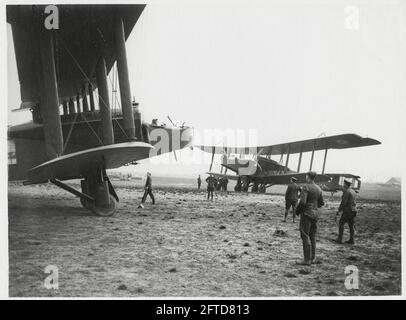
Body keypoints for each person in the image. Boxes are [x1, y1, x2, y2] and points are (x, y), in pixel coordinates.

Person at [296, 171, 324, 265]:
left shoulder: (306, 186)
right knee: (313, 236)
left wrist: (297, 211)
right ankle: (313, 258)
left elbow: (303, 202)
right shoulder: (319, 188)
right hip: (315, 214)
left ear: (308, 177)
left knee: (305, 235)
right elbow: (321, 203)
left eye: (306, 176)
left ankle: (307, 260)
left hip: (307, 214)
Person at [335, 179, 357, 244]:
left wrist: (339, 210)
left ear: (345, 184)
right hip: (354, 210)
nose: (343, 185)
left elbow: (344, 202)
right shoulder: (353, 191)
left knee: (341, 222)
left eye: (344, 184)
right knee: (351, 225)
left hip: (348, 210)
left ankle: (340, 239)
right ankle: (352, 240)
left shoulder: (346, 191)